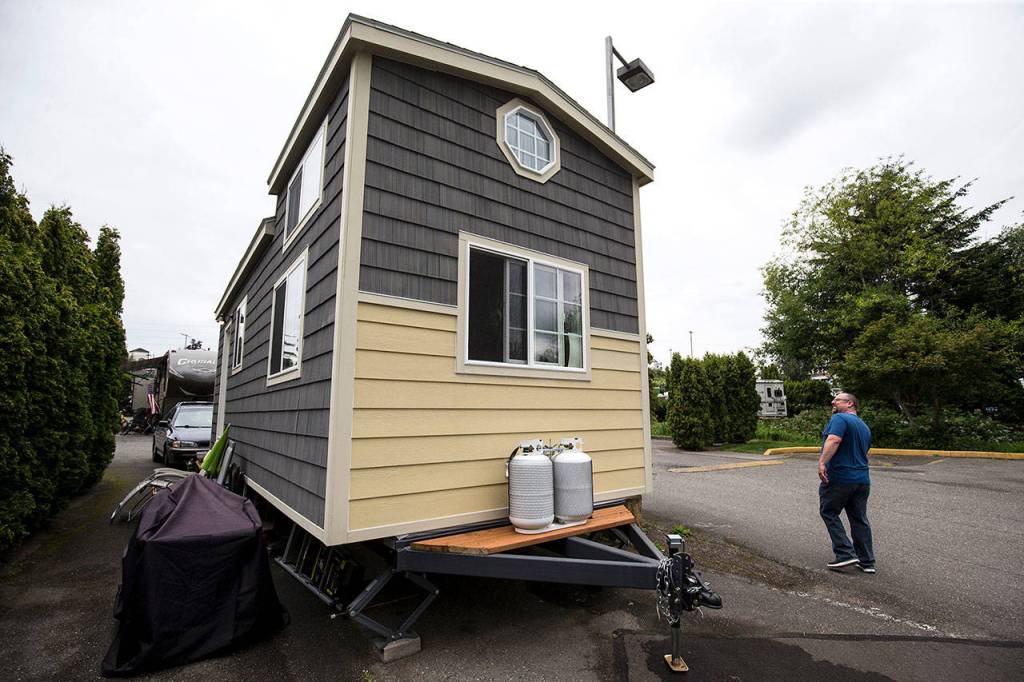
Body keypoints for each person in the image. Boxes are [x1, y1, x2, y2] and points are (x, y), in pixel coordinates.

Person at [818, 392, 875, 573]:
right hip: (862, 479)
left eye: (837, 399)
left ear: (850, 403)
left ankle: (845, 553)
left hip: (841, 477)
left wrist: (822, 462)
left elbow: (834, 440)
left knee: (829, 511)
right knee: (859, 518)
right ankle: (867, 561)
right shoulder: (863, 426)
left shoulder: (840, 419)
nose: (833, 402)